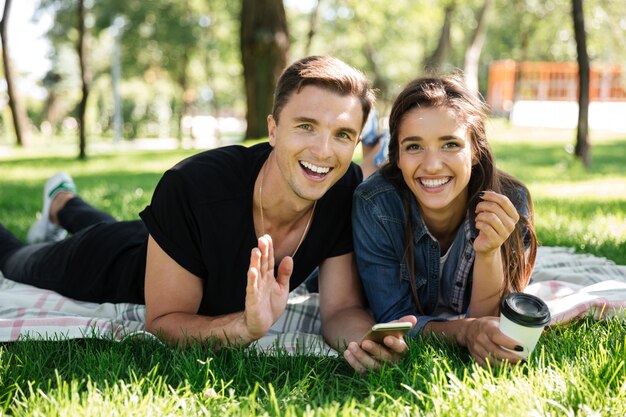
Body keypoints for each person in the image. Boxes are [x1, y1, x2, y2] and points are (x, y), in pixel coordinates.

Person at [0, 55, 415, 372]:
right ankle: (60, 209)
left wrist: (364, 341)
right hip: (109, 265)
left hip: (162, 242)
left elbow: (340, 309)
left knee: (115, 227)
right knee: (16, 259)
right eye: (306, 126)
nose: (324, 151)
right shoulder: (194, 186)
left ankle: (61, 202)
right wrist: (244, 330)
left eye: (342, 135)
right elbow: (162, 321)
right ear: (273, 129)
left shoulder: (345, 192)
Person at [351, 75, 538, 366]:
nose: (432, 164)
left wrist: (488, 252)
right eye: (414, 146)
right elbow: (394, 321)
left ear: (476, 150)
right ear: (397, 157)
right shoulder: (374, 205)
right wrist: (463, 332)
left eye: (450, 144)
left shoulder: (510, 202)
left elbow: (488, 324)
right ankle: (372, 145)